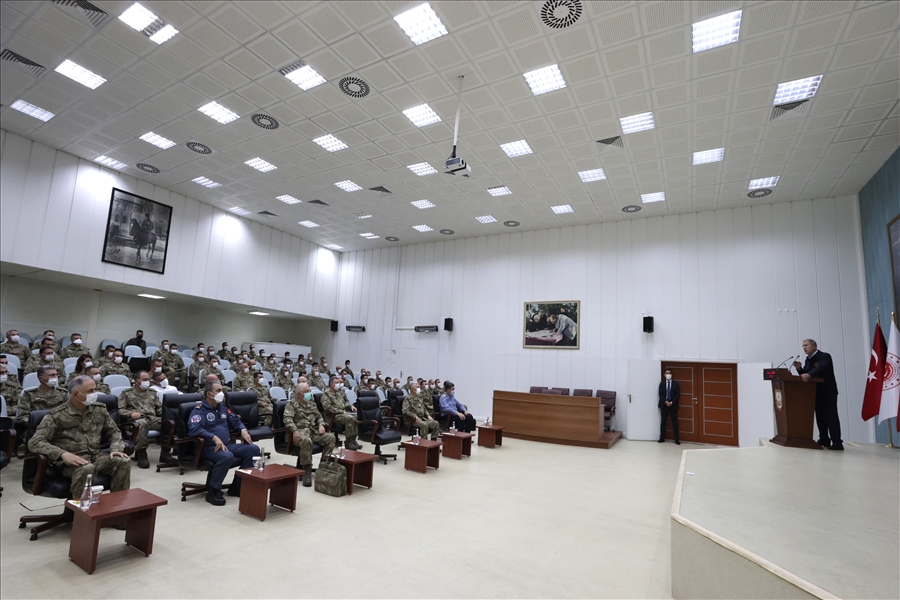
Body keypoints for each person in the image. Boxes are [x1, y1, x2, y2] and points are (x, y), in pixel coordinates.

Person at [28, 375, 131, 499]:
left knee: (122, 461)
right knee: (87, 468)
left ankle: (117, 507)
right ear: (76, 394)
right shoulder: (57, 415)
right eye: (90, 391)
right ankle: (80, 512)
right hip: (70, 462)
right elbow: (35, 442)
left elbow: (114, 431)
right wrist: (62, 453)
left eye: (95, 389)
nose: (95, 393)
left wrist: (116, 449)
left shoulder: (99, 409)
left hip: (96, 456)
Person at [188, 381, 260, 506]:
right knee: (227, 456)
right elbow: (194, 429)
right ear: (209, 394)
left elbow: (236, 421)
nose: (222, 393)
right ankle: (213, 491)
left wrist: (243, 430)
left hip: (226, 445)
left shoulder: (222, 408)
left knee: (253, 449)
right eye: (218, 390)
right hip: (207, 448)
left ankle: (237, 485)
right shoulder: (199, 410)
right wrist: (213, 437)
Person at [793, 339, 843, 450]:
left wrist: (809, 374)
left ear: (814, 346)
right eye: (803, 346)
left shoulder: (824, 356)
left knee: (831, 417)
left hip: (827, 392)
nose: (804, 348)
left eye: (806, 345)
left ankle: (837, 442)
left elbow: (821, 368)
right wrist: (799, 369)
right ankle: (824, 439)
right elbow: (806, 375)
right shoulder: (808, 359)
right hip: (815, 392)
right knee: (820, 417)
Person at [119, 371, 175, 468]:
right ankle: (142, 454)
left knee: (170, 423)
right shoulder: (127, 393)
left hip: (152, 418)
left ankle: (165, 453)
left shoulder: (152, 392)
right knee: (141, 423)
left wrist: (169, 414)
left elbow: (159, 409)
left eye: (148, 379)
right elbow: (120, 409)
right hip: (134, 421)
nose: (147, 382)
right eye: (145, 380)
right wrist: (131, 413)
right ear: (137, 381)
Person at [283, 382, 335, 487]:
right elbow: (287, 419)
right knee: (307, 441)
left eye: (309, 391)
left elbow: (319, 417)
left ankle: (323, 467)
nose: (309, 393)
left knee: (331, 438)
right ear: (299, 394)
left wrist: (321, 425)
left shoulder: (311, 403)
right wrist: (295, 431)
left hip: (312, 431)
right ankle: (306, 471)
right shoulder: (292, 404)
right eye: (306, 392)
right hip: (298, 433)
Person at [320, 376, 361, 449]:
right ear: (331, 384)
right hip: (332, 416)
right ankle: (348, 442)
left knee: (357, 416)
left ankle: (353, 440)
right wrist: (341, 411)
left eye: (339, 383)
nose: (338, 384)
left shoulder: (339, 393)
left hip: (343, 413)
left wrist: (350, 406)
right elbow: (328, 408)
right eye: (336, 383)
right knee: (350, 418)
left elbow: (345, 401)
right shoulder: (326, 395)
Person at [658, 369, 680, 445]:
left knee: (674, 422)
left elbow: (678, 394)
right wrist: (666, 402)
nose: (668, 375)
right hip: (664, 405)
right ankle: (662, 438)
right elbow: (660, 394)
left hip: (673, 405)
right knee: (663, 421)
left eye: (669, 373)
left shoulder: (675, 384)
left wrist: (671, 402)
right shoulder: (662, 384)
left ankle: (677, 439)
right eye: (667, 373)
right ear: (664, 375)